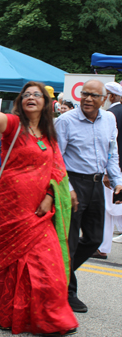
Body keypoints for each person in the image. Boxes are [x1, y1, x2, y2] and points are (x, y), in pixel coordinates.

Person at [0, 82, 78, 335]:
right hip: (12, 206)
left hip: (40, 209)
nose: (31, 97)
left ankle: (50, 318)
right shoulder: (13, 124)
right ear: (20, 101)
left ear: (46, 103)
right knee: (9, 261)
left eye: (37, 95)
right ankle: (3, 313)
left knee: (47, 262)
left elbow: (58, 168)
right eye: (26, 95)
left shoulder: (49, 134)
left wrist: (50, 196)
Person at [56, 79, 122, 313]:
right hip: (72, 183)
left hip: (96, 184)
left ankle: (61, 275)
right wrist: (68, 189)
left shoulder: (110, 119)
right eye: (85, 94)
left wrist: (118, 181)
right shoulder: (66, 121)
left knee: (94, 238)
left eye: (94, 96)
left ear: (104, 99)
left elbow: (111, 153)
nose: (88, 99)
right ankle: (67, 292)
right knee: (70, 241)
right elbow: (57, 158)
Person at [95, 82, 122, 259]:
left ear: (110, 96)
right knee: (115, 207)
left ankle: (102, 247)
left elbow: (110, 145)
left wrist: (107, 171)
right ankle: (102, 246)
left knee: (108, 208)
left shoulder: (111, 115)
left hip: (114, 167)